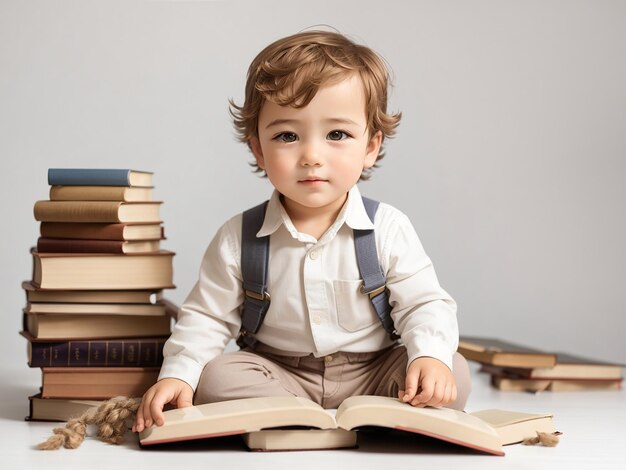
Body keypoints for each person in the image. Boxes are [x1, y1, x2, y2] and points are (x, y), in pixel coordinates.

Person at [133, 30, 471, 434]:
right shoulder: (239, 237)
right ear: (258, 148)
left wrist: (429, 357)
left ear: (371, 147)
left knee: (455, 370)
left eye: (337, 135)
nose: (312, 155)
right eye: (287, 136)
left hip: (374, 371)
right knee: (216, 378)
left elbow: (423, 304)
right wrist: (179, 375)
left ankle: (352, 413)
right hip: (280, 372)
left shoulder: (387, 229)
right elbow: (207, 317)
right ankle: (309, 416)